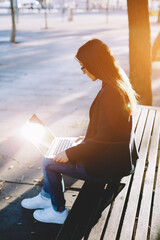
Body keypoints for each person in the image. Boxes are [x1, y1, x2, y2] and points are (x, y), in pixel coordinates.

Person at [21, 39, 139, 224]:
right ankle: (46, 196)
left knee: (48, 162)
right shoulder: (114, 84)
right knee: (54, 152)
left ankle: (58, 211)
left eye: (84, 67)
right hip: (114, 157)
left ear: (95, 64)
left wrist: (71, 152)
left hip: (108, 165)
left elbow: (105, 139)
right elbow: (110, 131)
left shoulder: (111, 94)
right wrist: (86, 139)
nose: (83, 71)